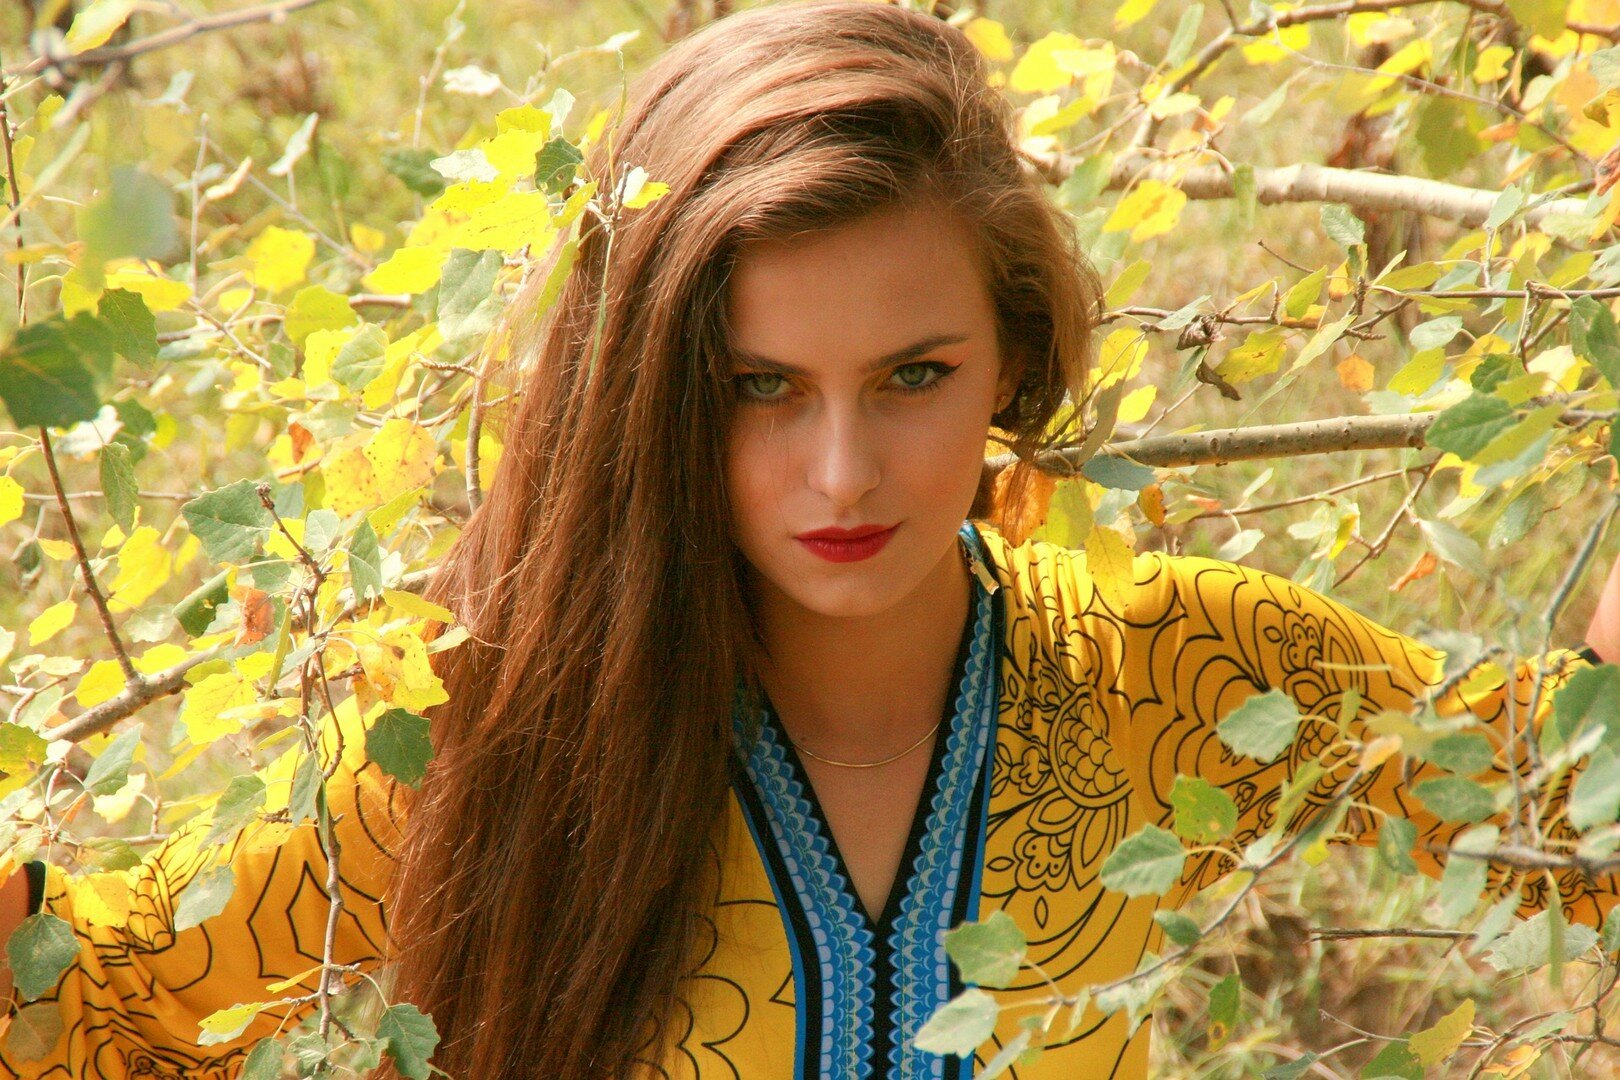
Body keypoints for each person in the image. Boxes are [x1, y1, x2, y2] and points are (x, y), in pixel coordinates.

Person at [3, 2, 1619, 1078]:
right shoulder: (481, 733)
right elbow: (95, 1002)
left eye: (915, 377)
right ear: (647, 394)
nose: (842, 473)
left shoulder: (1182, 669)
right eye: (757, 388)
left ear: (1014, 360)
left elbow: (1576, 813)